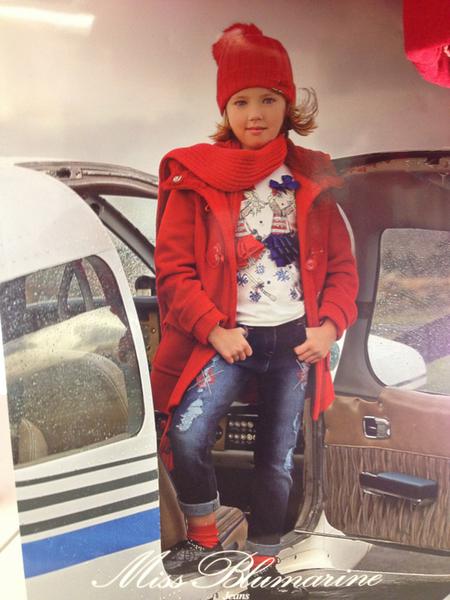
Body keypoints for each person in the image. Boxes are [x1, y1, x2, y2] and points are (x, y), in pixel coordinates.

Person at [151, 22, 358, 591]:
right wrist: (214, 329)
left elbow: (343, 270)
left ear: (288, 104)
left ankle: (265, 560)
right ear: (225, 109)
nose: (255, 113)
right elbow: (173, 272)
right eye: (240, 101)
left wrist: (330, 328)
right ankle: (204, 539)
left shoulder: (312, 176)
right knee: (187, 435)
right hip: (229, 340)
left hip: (293, 343)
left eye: (268, 99)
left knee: (277, 458)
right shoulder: (196, 175)